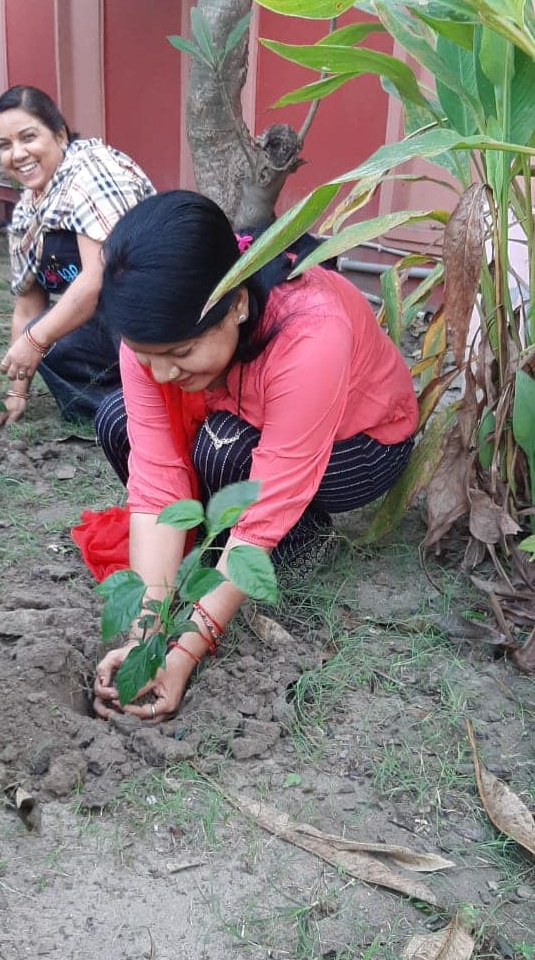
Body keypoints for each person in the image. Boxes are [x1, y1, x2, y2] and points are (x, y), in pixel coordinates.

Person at [91, 190, 419, 724]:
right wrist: (145, 638)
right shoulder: (151, 335)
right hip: (245, 423)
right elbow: (156, 481)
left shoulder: (311, 333)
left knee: (223, 450)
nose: (162, 373)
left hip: (360, 447)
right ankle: (217, 547)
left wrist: (184, 654)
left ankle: (304, 534)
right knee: (116, 420)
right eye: (148, 356)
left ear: (238, 304)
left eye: (180, 353)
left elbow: (265, 509)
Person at [0, 85, 155, 425]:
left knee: (51, 331)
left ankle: (157, 405)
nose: (17, 154)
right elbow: (28, 306)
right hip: (106, 325)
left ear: (60, 135)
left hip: (149, 314)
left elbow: (98, 279)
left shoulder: (91, 173)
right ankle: (120, 414)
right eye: (5, 145)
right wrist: (16, 393)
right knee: (48, 335)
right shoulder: (29, 210)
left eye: (28, 137)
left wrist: (34, 340)